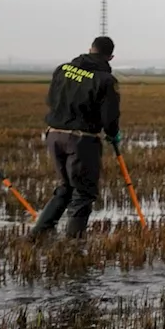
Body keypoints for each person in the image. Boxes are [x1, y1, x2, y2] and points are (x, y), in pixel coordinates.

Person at [29, 36, 122, 240]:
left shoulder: (62, 69)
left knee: (66, 187)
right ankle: (74, 244)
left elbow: (50, 99)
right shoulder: (105, 80)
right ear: (110, 57)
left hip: (53, 135)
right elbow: (110, 117)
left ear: (90, 49)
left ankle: (38, 234)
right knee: (84, 192)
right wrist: (113, 134)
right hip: (81, 140)